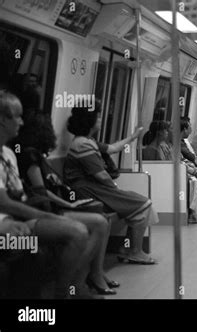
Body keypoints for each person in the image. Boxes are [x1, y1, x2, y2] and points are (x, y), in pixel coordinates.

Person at [10, 110, 119, 295]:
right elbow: (42, 193)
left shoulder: (35, 155)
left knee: (102, 219)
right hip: (48, 208)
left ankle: (89, 276)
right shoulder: (30, 157)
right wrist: (67, 204)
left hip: (55, 206)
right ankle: (73, 284)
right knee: (99, 222)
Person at [0, 90, 96, 298]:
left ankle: (71, 288)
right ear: (2, 120)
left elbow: (18, 194)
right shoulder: (26, 156)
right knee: (76, 232)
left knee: (89, 226)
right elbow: (5, 203)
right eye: (16, 116)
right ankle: (61, 293)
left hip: (21, 215)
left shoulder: (8, 154)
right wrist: (49, 216)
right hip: (7, 221)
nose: (21, 122)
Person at [64, 104, 159, 264]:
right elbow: (101, 175)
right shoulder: (83, 144)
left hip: (94, 188)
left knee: (140, 203)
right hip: (88, 190)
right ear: (90, 121)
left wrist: (133, 137)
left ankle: (127, 249)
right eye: (99, 117)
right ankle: (134, 251)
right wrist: (116, 190)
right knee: (143, 204)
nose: (101, 120)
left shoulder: (88, 141)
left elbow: (113, 148)